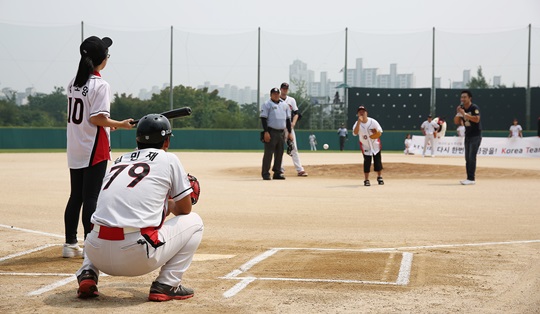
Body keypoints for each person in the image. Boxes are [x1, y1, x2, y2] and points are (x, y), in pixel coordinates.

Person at [75, 114, 204, 301]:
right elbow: (184, 210)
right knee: (195, 222)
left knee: (100, 222)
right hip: (136, 257)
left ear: (137, 139)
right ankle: (167, 284)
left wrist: (163, 202)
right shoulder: (169, 159)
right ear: (166, 141)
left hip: (96, 252)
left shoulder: (119, 160)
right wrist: (170, 200)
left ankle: (87, 273)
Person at [63, 36, 134, 258]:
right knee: (92, 197)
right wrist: (120, 125)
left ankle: (69, 244)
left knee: (76, 196)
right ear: (102, 59)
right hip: (93, 147)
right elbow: (97, 119)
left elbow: (92, 118)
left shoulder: (74, 82)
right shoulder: (100, 85)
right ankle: (90, 246)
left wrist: (107, 126)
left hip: (76, 145)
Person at [260, 87, 293, 180]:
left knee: (279, 153)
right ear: (271, 95)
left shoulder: (284, 105)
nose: (276, 95)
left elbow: (287, 120)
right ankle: (265, 173)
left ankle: (277, 172)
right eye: (274, 93)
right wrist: (266, 132)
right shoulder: (267, 104)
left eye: (277, 93)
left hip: (281, 132)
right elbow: (263, 119)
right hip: (271, 131)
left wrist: (289, 132)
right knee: (268, 153)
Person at [453, 90, 482, 185]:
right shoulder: (461, 108)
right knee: (467, 158)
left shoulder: (474, 107)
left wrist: (465, 114)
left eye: (465, 97)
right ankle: (468, 178)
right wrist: (458, 113)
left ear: (470, 98)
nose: (463, 99)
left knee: (472, 157)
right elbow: (456, 122)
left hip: (475, 135)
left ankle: (471, 178)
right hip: (468, 135)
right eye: (461, 97)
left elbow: (477, 119)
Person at [280, 82, 308, 176]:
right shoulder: (276, 99)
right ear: (281, 89)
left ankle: (300, 169)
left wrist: (293, 123)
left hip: (289, 128)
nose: (285, 90)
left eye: (286, 88)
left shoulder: (291, 100)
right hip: (279, 128)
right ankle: (280, 169)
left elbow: (296, 113)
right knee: (279, 149)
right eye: (283, 88)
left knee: (294, 148)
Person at [352, 106, 384, 186]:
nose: (362, 113)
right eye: (360, 112)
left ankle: (379, 177)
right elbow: (355, 133)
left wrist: (377, 133)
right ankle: (366, 180)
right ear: (358, 114)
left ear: (366, 113)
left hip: (375, 145)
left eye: (363, 111)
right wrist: (359, 122)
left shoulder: (373, 121)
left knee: (378, 161)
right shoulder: (357, 124)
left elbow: (380, 131)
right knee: (367, 162)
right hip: (365, 145)